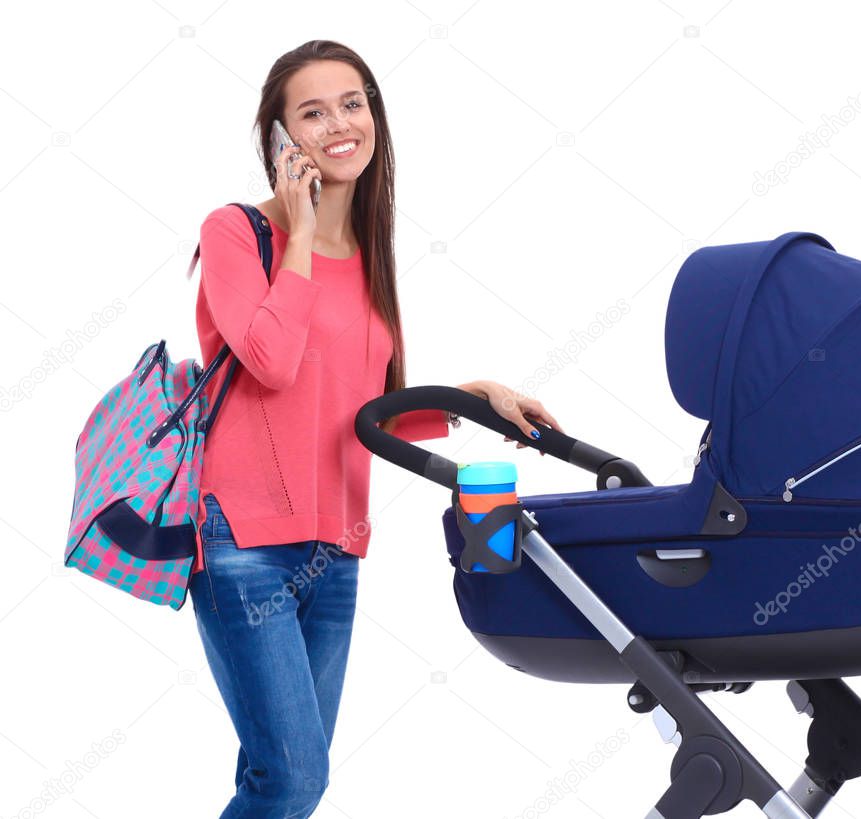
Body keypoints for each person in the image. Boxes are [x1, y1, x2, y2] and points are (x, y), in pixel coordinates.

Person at [189, 39, 563, 818]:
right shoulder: (235, 234)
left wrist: (470, 398)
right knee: (292, 779)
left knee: (276, 779)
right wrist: (297, 230)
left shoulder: (367, 250)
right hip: (243, 543)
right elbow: (271, 362)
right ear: (279, 137)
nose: (338, 124)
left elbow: (357, 406)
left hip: (335, 545)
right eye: (312, 112)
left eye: (351, 103)